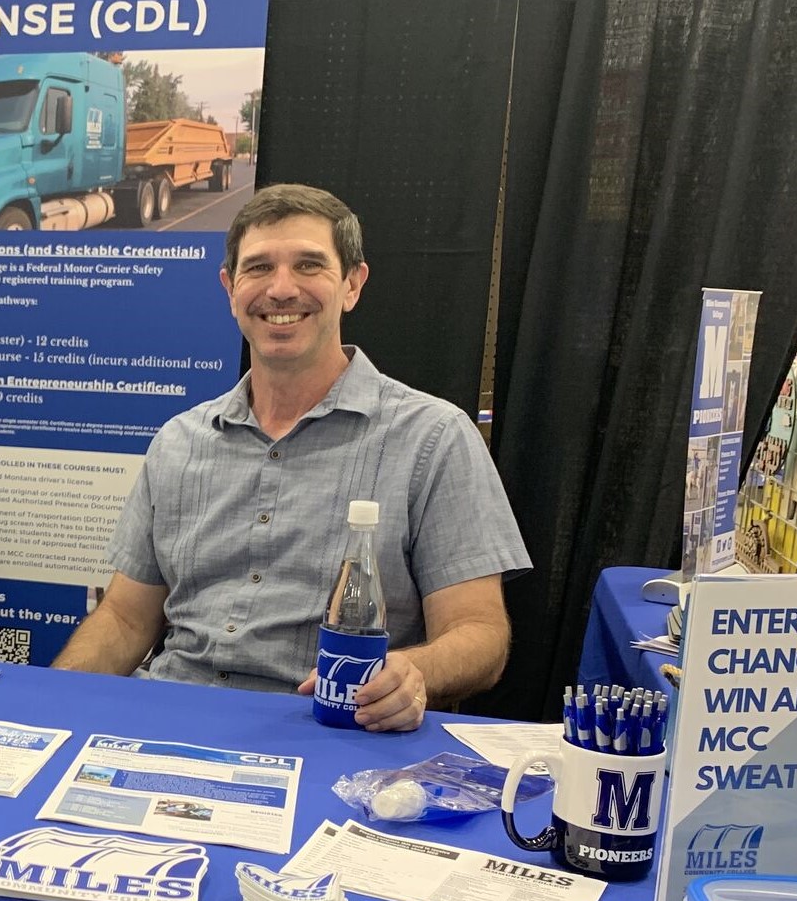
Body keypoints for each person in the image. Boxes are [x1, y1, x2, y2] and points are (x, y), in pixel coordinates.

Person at [54, 184, 530, 731]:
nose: (281, 290)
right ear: (231, 289)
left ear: (352, 284)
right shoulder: (179, 441)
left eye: (309, 265)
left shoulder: (434, 439)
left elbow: (481, 633)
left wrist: (413, 671)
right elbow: (122, 619)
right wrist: (50, 705)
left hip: (331, 732)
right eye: (258, 268)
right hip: (167, 717)